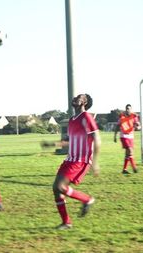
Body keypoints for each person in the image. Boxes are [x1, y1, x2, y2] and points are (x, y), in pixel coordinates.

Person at [53, 94, 101, 230]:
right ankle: (66, 223)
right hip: (70, 159)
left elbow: (97, 138)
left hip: (81, 160)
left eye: (80, 97)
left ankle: (87, 200)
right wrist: (53, 144)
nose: (75, 98)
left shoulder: (86, 117)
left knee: (60, 186)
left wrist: (95, 162)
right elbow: (70, 141)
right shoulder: (72, 120)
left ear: (84, 102)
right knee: (56, 189)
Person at [114, 104, 140, 174]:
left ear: (131, 109)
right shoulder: (122, 116)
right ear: (125, 109)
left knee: (128, 154)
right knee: (130, 151)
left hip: (131, 136)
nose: (128, 110)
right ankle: (134, 168)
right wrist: (115, 136)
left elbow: (138, 125)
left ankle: (124, 170)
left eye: (129, 108)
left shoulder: (134, 116)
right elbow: (117, 126)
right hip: (124, 136)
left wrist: (138, 127)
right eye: (127, 108)